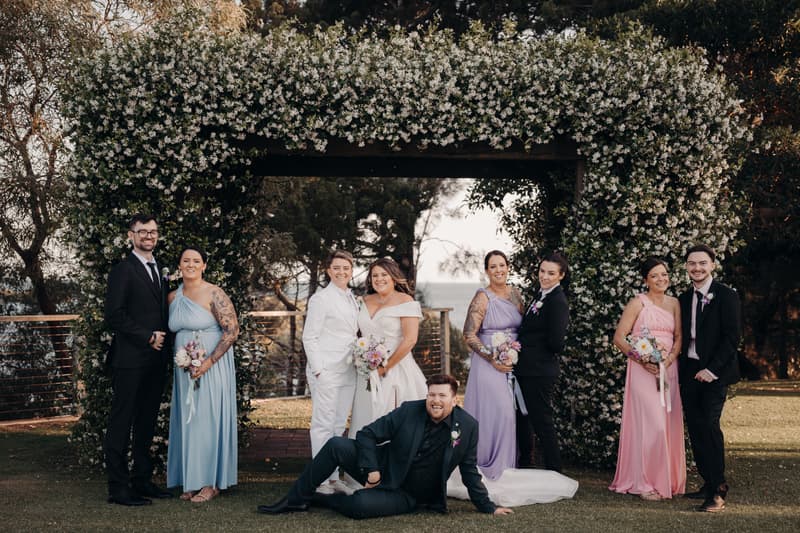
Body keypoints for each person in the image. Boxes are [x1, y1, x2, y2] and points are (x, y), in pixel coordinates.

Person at [257, 374, 514, 518]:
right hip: (380, 468)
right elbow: (366, 434)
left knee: (359, 507)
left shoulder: (468, 426)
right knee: (336, 444)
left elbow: (469, 470)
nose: (435, 400)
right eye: (431, 395)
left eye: (441, 396)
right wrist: (371, 468)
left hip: (407, 494)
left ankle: (324, 500)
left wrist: (488, 506)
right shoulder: (408, 411)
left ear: (453, 399)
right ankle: (295, 499)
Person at [448, 250, 579, 506]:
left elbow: (529, 330)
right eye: (493, 266)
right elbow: (468, 334)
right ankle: (485, 461)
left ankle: (510, 464)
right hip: (491, 365)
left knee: (512, 415)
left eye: (502, 265)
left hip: (516, 366)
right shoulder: (482, 297)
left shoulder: (517, 294)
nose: (498, 270)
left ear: (508, 267)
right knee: (496, 413)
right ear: (486, 270)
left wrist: (515, 355)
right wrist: (492, 357)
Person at [104, 213, 173, 506]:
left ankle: (142, 480)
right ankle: (118, 488)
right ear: (131, 235)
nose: (149, 236)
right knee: (122, 423)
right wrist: (147, 336)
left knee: (146, 422)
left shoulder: (159, 270)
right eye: (142, 231)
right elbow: (114, 316)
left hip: (155, 362)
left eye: (153, 231)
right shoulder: (122, 270)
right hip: (130, 360)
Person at [166, 246, 239, 503]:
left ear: (204, 265)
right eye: (186, 260)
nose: (191, 264)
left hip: (212, 365)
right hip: (183, 367)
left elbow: (232, 330)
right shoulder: (173, 297)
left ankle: (209, 483)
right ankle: (190, 480)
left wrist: (209, 362)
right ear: (179, 265)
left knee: (207, 420)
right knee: (188, 420)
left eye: (196, 261)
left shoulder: (214, 293)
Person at [609, 257, 686, 500]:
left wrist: (669, 359)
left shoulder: (675, 303)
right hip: (642, 371)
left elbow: (679, 336)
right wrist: (643, 359)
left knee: (667, 422)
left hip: (669, 369)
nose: (661, 279)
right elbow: (620, 338)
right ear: (646, 280)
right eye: (655, 275)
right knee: (652, 424)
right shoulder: (637, 303)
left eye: (664, 274)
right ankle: (644, 483)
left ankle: (667, 481)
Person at [678, 244, 741, 512]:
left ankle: (718, 490)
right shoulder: (682, 298)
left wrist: (712, 370)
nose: (697, 268)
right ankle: (707, 480)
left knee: (710, 427)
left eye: (702, 263)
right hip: (689, 372)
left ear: (712, 265)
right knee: (695, 429)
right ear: (686, 267)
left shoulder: (726, 296)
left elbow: (732, 338)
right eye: (692, 263)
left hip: (715, 374)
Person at [348, 257, 428, 437]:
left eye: (384, 274)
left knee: (393, 417)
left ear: (393, 277)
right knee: (365, 414)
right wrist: (362, 358)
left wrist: (385, 368)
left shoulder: (405, 300)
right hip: (367, 370)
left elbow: (410, 340)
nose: (379, 279)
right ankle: (364, 459)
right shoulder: (364, 300)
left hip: (397, 368)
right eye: (374, 275)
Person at [302, 250, 359, 494]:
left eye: (346, 268)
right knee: (323, 425)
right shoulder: (321, 299)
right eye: (336, 268)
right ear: (329, 271)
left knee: (338, 426)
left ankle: (334, 477)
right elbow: (309, 336)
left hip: (348, 370)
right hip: (326, 370)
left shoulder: (351, 297)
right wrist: (318, 372)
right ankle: (321, 480)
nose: (341, 272)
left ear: (351, 270)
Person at [514, 252, 570, 473]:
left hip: (540, 370)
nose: (545, 276)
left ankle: (554, 470)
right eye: (542, 271)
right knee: (524, 416)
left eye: (551, 273)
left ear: (561, 275)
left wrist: (528, 349)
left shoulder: (557, 301)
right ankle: (526, 461)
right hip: (528, 369)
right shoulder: (541, 295)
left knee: (543, 421)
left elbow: (556, 342)